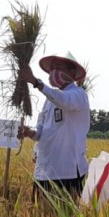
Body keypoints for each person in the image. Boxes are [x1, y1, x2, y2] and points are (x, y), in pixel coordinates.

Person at [17, 52, 91, 201]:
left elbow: (64, 101)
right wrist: (30, 132)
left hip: (67, 171)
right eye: (52, 68)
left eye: (59, 67)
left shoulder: (78, 94)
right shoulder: (49, 100)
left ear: (71, 72)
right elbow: (41, 132)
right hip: (44, 170)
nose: (54, 72)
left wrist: (35, 82)